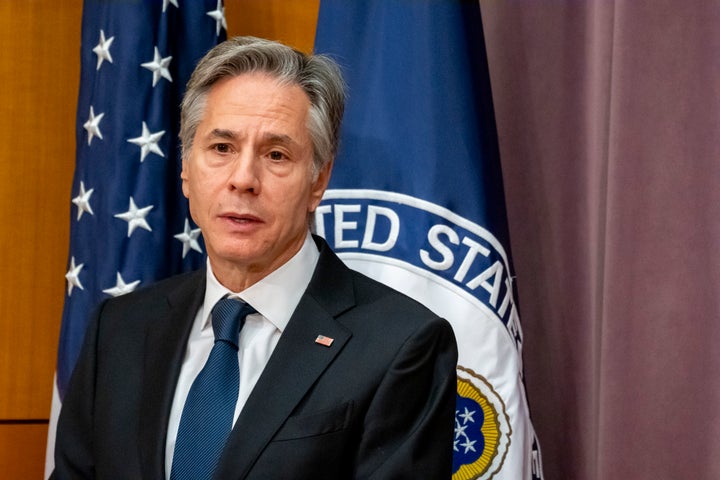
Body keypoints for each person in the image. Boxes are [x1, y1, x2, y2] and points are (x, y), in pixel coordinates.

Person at [52, 36, 458, 480]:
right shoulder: (118, 328)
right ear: (186, 169)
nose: (243, 179)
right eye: (221, 149)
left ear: (318, 180)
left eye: (276, 154)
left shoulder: (401, 345)